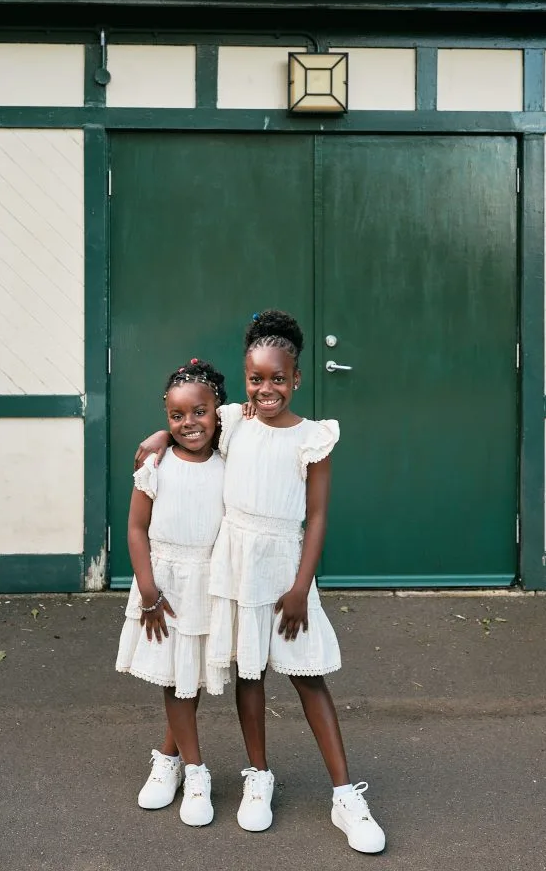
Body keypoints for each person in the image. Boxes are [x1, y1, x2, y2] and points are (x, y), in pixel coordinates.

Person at [136, 312, 385, 853]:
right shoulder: (234, 419)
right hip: (233, 567)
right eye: (256, 378)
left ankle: (345, 794)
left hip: (284, 574)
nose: (266, 388)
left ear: (297, 379)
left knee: (308, 677)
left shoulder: (313, 439)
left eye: (278, 378)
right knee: (248, 676)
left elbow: (316, 518)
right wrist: (158, 434)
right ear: (245, 379)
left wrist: (301, 586)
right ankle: (257, 777)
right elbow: (190, 425)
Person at [116, 358, 228, 828]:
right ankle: (196, 769)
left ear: (218, 411)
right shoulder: (156, 466)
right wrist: (148, 593)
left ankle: (168, 756)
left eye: (200, 412)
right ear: (165, 417)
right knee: (174, 680)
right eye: (176, 417)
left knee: (191, 676)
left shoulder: (230, 460)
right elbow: (136, 529)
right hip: (164, 587)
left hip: (209, 582)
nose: (188, 424)